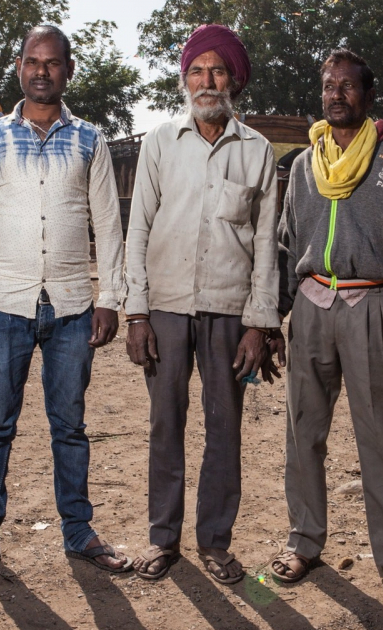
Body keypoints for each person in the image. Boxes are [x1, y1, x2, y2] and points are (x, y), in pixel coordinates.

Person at [269, 49, 383, 615]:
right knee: (303, 435)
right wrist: (271, 320)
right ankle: (304, 542)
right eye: (328, 85)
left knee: (382, 439)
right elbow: (283, 244)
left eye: (348, 86)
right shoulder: (304, 165)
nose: (336, 94)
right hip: (311, 304)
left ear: (368, 96)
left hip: (372, 305)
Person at [0, 24, 130, 587]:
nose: (41, 71)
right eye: (32, 61)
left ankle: (78, 531)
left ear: (67, 71)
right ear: (20, 67)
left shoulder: (90, 140)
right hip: (5, 303)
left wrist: (109, 298)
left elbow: (108, 223)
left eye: (52, 63)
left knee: (69, 427)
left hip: (74, 306)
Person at [124, 24, 280, 585]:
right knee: (166, 423)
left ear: (234, 80)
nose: (206, 81)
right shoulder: (160, 142)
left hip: (228, 312)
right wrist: (135, 312)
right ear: (184, 80)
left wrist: (260, 323)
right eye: (196, 71)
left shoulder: (257, 150)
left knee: (224, 427)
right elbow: (137, 227)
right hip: (165, 306)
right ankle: (162, 538)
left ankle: (215, 541)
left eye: (217, 71)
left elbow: (265, 245)